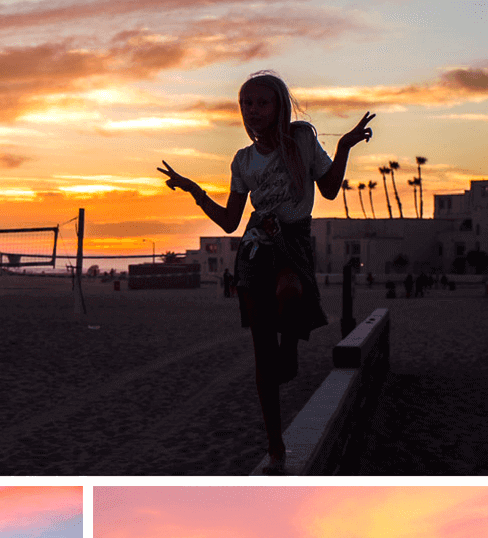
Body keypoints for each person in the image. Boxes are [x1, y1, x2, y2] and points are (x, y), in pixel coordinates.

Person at [158, 70, 374, 473]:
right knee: (262, 359)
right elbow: (228, 222)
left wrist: (344, 146)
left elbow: (327, 189)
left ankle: (290, 348)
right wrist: (193, 190)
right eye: (246, 104)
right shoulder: (242, 160)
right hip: (256, 247)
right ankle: (275, 447)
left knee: (290, 292)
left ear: (278, 106)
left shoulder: (302, 139)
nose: (253, 110)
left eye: (261, 102)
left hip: (293, 242)